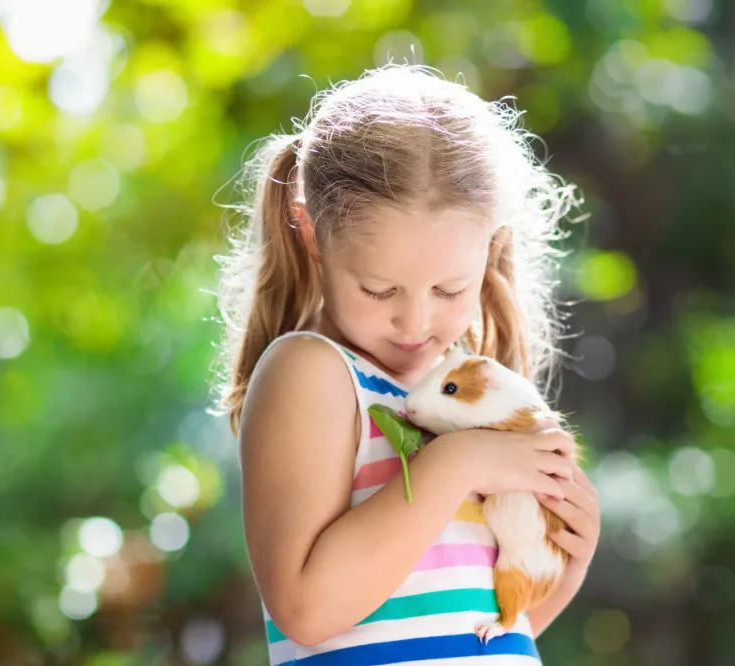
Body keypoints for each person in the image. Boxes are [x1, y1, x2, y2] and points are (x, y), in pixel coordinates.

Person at [211, 63, 600, 665]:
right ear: (314, 237)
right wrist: (458, 464)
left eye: (448, 291)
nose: (415, 323)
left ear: (491, 247)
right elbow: (309, 611)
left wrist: (563, 569)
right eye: (379, 290)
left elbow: (468, 631)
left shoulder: (460, 397)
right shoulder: (311, 373)